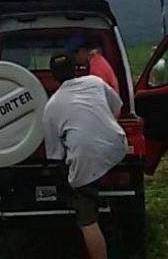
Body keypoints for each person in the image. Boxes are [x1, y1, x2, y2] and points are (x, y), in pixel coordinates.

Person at [43, 52, 127, 259]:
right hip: (118, 146)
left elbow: (55, 154)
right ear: (77, 69)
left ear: (53, 77)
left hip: (86, 158)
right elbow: (117, 107)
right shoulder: (95, 82)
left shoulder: (52, 106)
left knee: (87, 220)